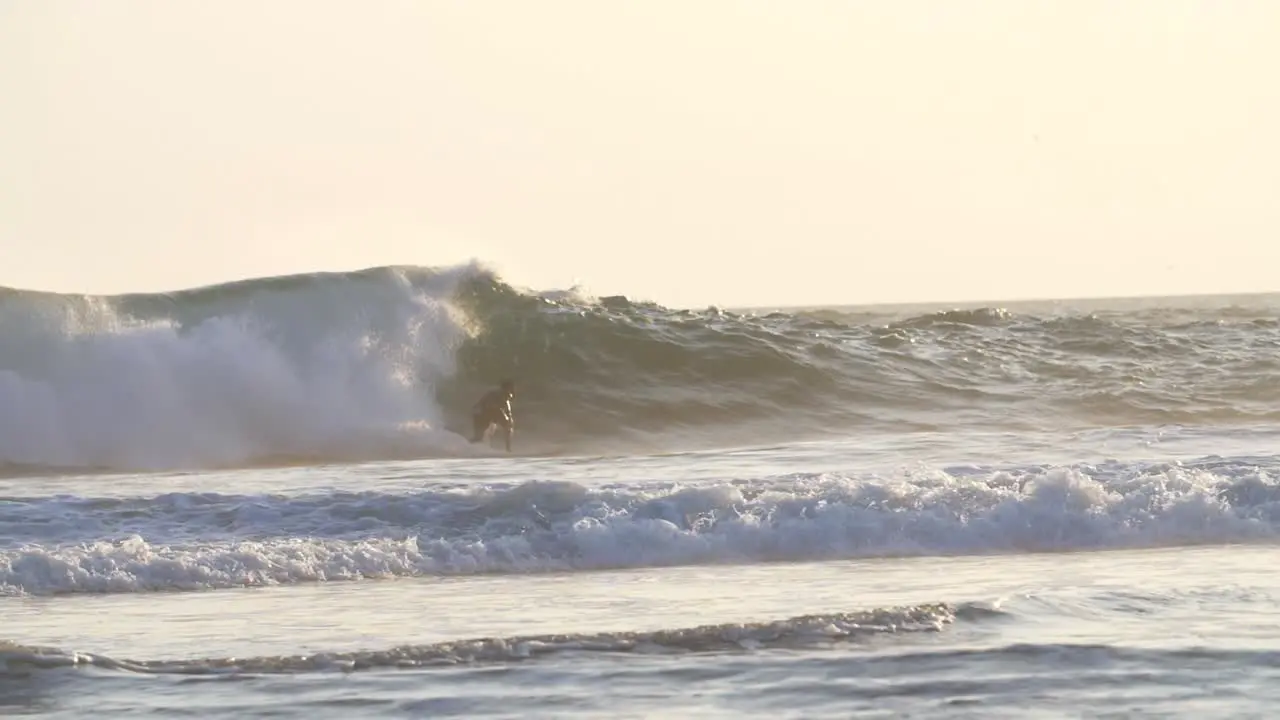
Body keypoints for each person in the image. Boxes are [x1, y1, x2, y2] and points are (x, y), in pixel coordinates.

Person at [471, 379, 515, 451]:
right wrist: (507, 418)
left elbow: (506, 410)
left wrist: (508, 417)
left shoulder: (503, 395)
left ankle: (508, 448)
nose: (511, 391)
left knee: (508, 425)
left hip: (485, 413)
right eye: (509, 388)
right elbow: (491, 407)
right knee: (478, 436)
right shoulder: (498, 394)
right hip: (482, 413)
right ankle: (471, 447)